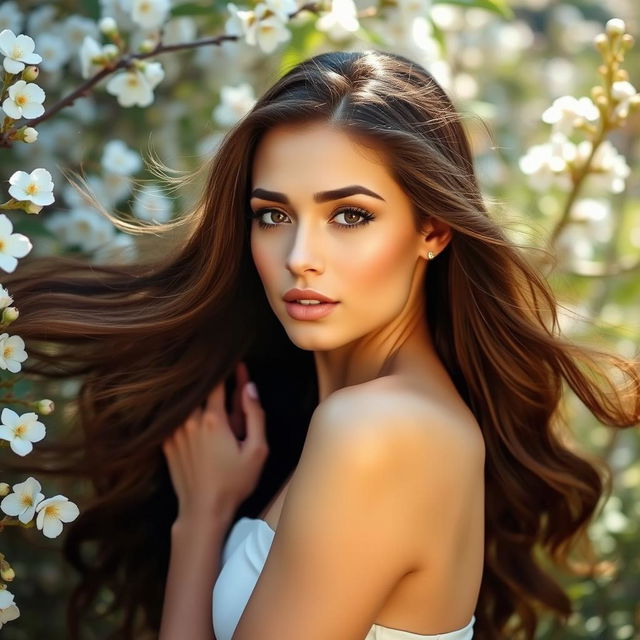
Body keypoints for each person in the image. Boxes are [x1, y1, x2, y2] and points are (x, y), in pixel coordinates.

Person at [4, 49, 639, 640]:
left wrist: (201, 525)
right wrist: (206, 510)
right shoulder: (362, 415)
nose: (300, 259)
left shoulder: (377, 429)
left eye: (350, 216)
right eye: (273, 215)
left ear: (434, 231)